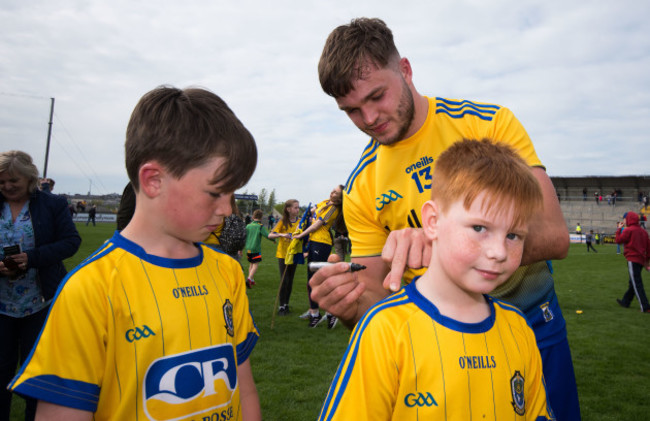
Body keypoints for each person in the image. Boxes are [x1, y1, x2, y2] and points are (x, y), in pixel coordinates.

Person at [311, 17, 578, 420]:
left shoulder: (488, 124)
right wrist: (349, 304)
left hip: (530, 325)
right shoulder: (362, 184)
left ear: (405, 69)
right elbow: (378, 304)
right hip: (435, 347)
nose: (368, 118)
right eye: (351, 110)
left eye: (377, 96)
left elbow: (554, 235)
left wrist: (441, 247)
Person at [9, 86, 262, 421]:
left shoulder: (227, 272)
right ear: (153, 180)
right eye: (216, 193)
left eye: (232, 193)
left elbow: (242, 388)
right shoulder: (91, 289)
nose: (228, 209)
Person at [319, 139, 554, 420]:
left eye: (513, 235)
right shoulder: (385, 329)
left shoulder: (519, 328)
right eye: (479, 228)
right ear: (432, 221)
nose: (499, 252)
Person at [0, 150, 81, 421]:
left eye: (13, 181)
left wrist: (31, 258)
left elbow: (71, 242)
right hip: (2, 305)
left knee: (37, 373)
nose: (7, 187)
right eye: (1, 182)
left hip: (40, 302)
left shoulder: (51, 204)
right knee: (1, 370)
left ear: (29, 178)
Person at [293, 186, 344, 329]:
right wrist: (301, 224)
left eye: (336, 193)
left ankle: (329, 312)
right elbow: (310, 211)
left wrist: (300, 235)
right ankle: (316, 313)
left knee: (316, 280)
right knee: (312, 280)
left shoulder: (334, 209)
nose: (332, 193)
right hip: (314, 242)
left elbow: (317, 225)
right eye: (332, 190)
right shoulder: (325, 202)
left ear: (340, 199)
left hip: (321, 243)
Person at [268, 199, 301, 315]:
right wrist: (282, 234)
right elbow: (270, 235)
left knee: (290, 280)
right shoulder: (282, 221)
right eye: (295, 207)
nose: (298, 209)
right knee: (284, 280)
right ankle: (281, 306)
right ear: (288, 209)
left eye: (298, 207)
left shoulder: (300, 221)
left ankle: (286, 304)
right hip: (283, 254)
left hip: (294, 253)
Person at [615, 211, 650, 313]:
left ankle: (645, 306)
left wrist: (619, 229)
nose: (624, 221)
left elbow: (618, 240)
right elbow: (648, 246)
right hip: (640, 260)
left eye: (625, 219)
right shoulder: (643, 231)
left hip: (632, 259)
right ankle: (626, 301)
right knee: (633, 282)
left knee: (636, 283)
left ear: (629, 219)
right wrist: (647, 260)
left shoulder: (628, 230)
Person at [244, 209, 273, 288]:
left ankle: (251, 281)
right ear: (261, 217)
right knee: (256, 264)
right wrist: (273, 239)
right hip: (255, 248)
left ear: (253, 216)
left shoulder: (248, 225)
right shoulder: (260, 226)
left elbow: (244, 236)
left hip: (248, 248)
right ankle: (249, 279)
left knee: (251, 263)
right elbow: (267, 235)